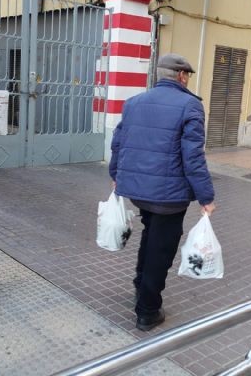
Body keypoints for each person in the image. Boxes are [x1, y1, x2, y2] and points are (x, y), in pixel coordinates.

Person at [109, 53, 216, 331]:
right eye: (187, 75)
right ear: (181, 76)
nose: (187, 79)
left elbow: (118, 142)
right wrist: (206, 196)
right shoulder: (190, 106)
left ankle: (139, 285)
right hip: (169, 196)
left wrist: (115, 176)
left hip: (139, 191)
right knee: (161, 248)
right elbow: (193, 156)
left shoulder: (134, 103)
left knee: (150, 234)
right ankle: (147, 310)